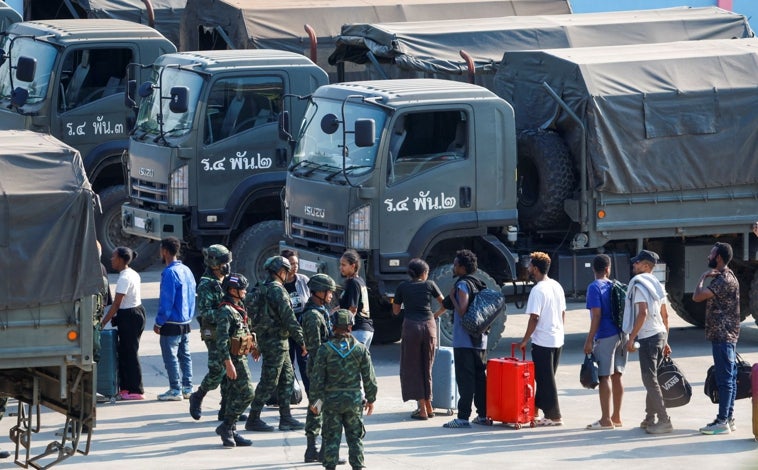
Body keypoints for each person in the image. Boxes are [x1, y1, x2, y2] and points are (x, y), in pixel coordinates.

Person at [244, 255, 307, 432]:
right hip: (276, 342)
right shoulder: (278, 290)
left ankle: (285, 418)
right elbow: (289, 318)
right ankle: (253, 418)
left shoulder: (261, 288)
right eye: (286, 271)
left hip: (274, 340)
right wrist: (302, 341)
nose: (288, 274)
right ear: (281, 272)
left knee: (287, 379)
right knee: (269, 381)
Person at [309, 309, 377, 470]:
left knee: (332, 438)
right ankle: (358, 466)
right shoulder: (360, 349)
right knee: (355, 438)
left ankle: (330, 467)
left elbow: (317, 379)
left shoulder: (325, 349)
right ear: (351, 326)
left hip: (331, 401)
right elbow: (369, 378)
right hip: (353, 400)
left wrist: (315, 402)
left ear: (333, 327)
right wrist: (371, 399)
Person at [692, 242, 740, 435]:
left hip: (723, 335)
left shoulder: (723, 280)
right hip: (726, 335)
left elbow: (697, 296)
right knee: (729, 377)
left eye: (711, 254)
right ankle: (728, 418)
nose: (708, 257)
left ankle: (722, 421)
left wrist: (702, 278)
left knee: (725, 379)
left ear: (718, 258)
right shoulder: (728, 276)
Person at [624, 249, 672, 434]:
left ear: (645, 266)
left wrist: (631, 337)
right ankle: (649, 417)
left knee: (649, 379)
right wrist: (666, 340)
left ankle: (664, 419)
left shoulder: (639, 285)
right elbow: (665, 316)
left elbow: (642, 313)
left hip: (648, 337)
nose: (633, 265)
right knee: (652, 378)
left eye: (637, 263)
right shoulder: (657, 285)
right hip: (659, 335)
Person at [392, 258, 445, 420]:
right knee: (427, 366)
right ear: (424, 273)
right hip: (429, 326)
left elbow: (395, 311)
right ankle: (429, 406)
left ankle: (422, 409)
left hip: (411, 327)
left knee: (413, 367)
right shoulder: (430, 285)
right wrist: (434, 316)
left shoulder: (402, 287)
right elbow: (445, 304)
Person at [518, 251, 566, 426]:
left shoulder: (537, 290)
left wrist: (524, 340)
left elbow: (534, 318)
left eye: (530, 266)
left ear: (536, 269)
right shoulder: (556, 286)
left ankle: (555, 415)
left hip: (543, 341)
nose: (528, 268)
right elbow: (563, 312)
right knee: (546, 378)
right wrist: (560, 330)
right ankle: (536, 411)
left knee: (546, 380)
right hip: (557, 338)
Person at [190, 244, 236, 420]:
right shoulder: (206, 285)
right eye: (224, 262)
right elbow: (206, 311)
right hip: (214, 331)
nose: (227, 265)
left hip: (228, 330)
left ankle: (226, 410)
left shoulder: (226, 279)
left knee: (231, 371)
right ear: (214, 263)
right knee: (218, 370)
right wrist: (226, 314)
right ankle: (198, 395)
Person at [442, 249, 488, 429]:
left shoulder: (462, 285)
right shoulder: (480, 283)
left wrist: (453, 296)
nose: (454, 267)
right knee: (480, 378)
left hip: (464, 340)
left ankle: (462, 417)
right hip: (480, 340)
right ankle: (483, 414)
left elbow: (462, 309)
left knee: (465, 379)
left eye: (455, 264)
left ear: (462, 267)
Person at [301, 274, 343, 463]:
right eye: (329, 291)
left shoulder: (320, 311)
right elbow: (315, 348)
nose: (331, 295)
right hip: (319, 371)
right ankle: (316, 449)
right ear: (319, 292)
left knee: (319, 408)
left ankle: (316, 449)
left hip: (322, 369)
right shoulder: (312, 316)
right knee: (319, 409)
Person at [583, 254, 627, 430]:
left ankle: (605, 420)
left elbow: (597, 315)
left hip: (605, 335)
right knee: (617, 375)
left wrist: (589, 340)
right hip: (620, 334)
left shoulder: (594, 287)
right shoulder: (614, 285)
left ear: (594, 269)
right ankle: (616, 417)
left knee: (604, 377)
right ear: (608, 269)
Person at [214, 273, 256, 447]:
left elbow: (245, 329)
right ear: (232, 290)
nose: (245, 291)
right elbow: (221, 340)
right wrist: (228, 363)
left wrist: (253, 345)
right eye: (242, 289)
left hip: (241, 355)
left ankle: (231, 430)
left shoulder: (238, 306)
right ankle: (227, 426)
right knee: (248, 393)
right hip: (233, 359)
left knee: (233, 396)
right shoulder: (225, 311)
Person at [154, 237, 196, 401]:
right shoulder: (186, 270)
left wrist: (159, 322)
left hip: (171, 322)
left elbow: (167, 301)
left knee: (170, 357)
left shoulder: (170, 272)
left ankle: (175, 389)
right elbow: (193, 295)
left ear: (164, 251)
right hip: (185, 321)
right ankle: (188, 387)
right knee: (185, 355)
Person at [101, 246, 145, 400]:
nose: (111, 260)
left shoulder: (124, 278)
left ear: (120, 259)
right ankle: (126, 387)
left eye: (113, 257)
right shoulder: (132, 273)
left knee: (130, 352)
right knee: (126, 351)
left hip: (130, 316)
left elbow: (116, 304)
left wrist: (103, 322)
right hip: (134, 313)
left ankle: (135, 390)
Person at [282, 249, 311, 393]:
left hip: (301, 327)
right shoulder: (278, 284)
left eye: (297, 263)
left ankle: (311, 396)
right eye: (292, 263)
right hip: (285, 329)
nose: (295, 266)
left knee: (305, 363)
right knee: (288, 365)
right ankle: (291, 395)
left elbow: (311, 302)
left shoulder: (304, 280)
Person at [339, 249, 374, 349]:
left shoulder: (353, 283)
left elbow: (353, 308)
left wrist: (347, 327)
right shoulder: (359, 280)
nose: (341, 268)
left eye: (344, 265)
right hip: (365, 330)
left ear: (353, 265)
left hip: (358, 330)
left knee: (351, 363)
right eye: (340, 264)